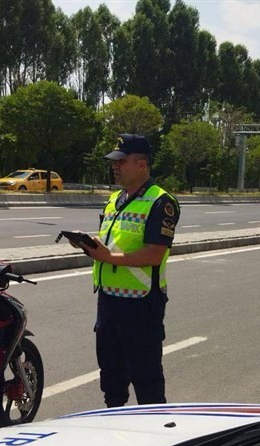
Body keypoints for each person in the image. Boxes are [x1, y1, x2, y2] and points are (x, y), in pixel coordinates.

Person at [73, 134, 180, 407]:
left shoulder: (161, 202)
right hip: (108, 301)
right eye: (114, 162)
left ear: (142, 164)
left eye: (122, 161)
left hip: (142, 304)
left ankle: (155, 441)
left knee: (147, 384)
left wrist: (109, 256)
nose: (115, 166)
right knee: (111, 380)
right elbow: (112, 244)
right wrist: (91, 247)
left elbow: (155, 254)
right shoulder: (114, 199)